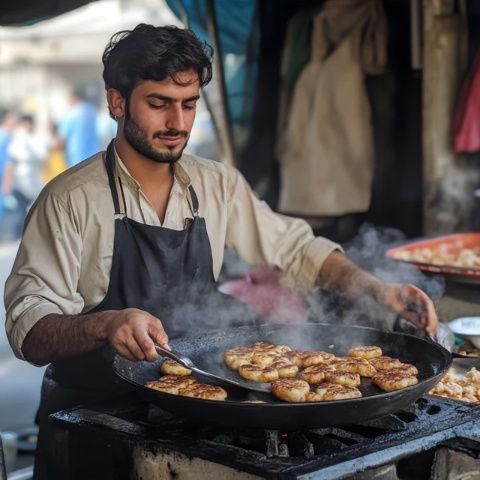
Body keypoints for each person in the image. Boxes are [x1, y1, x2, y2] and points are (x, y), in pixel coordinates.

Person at [4, 24, 438, 479]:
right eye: (159, 104)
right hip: (93, 426)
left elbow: (295, 250)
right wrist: (107, 323)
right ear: (117, 102)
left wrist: (376, 290)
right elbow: (30, 332)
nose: (177, 124)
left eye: (188, 105)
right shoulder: (70, 199)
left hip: (191, 419)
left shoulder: (215, 184)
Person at [3, 114, 46, 238]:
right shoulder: (16, 141)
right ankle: (17, 237)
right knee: (19, 214)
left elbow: (42, 161)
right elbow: (10, 166)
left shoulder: (37, 140)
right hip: (19, 183)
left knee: (31, 212)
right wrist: (7, 187)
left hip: (33, 183)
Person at [58, 87, 100, 167]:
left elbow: (61, 140)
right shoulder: (93, 111)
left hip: (76, 161)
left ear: (74, 98)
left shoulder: (72, 114)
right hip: (94, 160)